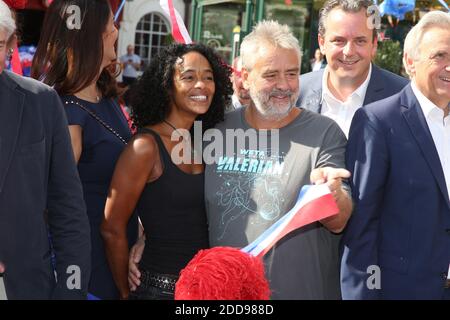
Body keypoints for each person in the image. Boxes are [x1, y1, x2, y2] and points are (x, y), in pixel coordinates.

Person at [205, 21, 352, 299]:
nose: (284, 85)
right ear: (246, 78)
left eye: (292, 73)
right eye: (271, 75)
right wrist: (146, 235)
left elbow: (339, 221)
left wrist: (332, 194)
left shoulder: (324, 133)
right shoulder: (215, 129)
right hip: (227, 295)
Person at [101, 43, 232, 300]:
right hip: (157, 289)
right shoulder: (145, 147)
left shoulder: (205, 141)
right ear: (167, 85)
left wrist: (142, 236)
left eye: (208, 77)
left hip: (204, 291)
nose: (201, 85)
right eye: (189, 77)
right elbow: (111, 227)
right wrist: (126, 293)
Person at [31, 0, 138, 300]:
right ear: (91, 37)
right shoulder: (67, 114)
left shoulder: (105, 97)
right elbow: (45, 204)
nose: (116, 30)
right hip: (89, 273)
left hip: (118, 258)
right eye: (110, 26)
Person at [341, 11, 450, 300]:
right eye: (440, 55)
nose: (449, 66)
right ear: (410, 62)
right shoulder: (378, 122)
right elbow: (361, 227)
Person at [0, 0, 90, 299]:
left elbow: (67, 205)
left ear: (11, 45)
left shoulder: (41, 101)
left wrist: (71, 289)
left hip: (26, 286)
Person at [296, 0, 409, 137]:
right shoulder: (295, 92)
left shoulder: (404, 98)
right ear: (322, 43)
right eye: (339, 40)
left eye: (360, 41)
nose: (348, 52)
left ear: (374, 45)